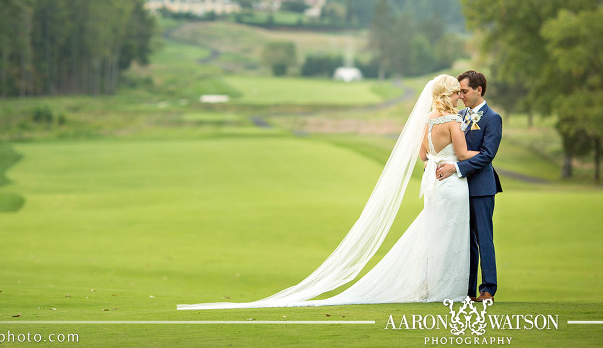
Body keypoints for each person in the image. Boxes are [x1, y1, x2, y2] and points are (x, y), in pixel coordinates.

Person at [178, 75, 482, 310]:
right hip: (451, 185)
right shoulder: (453, 120)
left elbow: (422, 157)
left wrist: (440, 161)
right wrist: (483, 153)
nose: (459, 95)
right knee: (450, 236)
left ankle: (434, 288)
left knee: (434, 236)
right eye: (456, 91)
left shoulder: (428, 121)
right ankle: (448, 291)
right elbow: (461, 151)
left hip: (433, 186)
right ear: (448, 95)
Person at [435, 70, 502, 303]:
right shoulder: (458, 115)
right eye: (459, 92)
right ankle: (467, 289)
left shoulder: (493, 118)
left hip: (482, 187)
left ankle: (488, 290)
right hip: (459, 189)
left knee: (484, 238)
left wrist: (456, 168)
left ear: (479, 90)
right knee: (465, 242)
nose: (461, 96)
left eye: (464, 91)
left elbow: (487, 156)